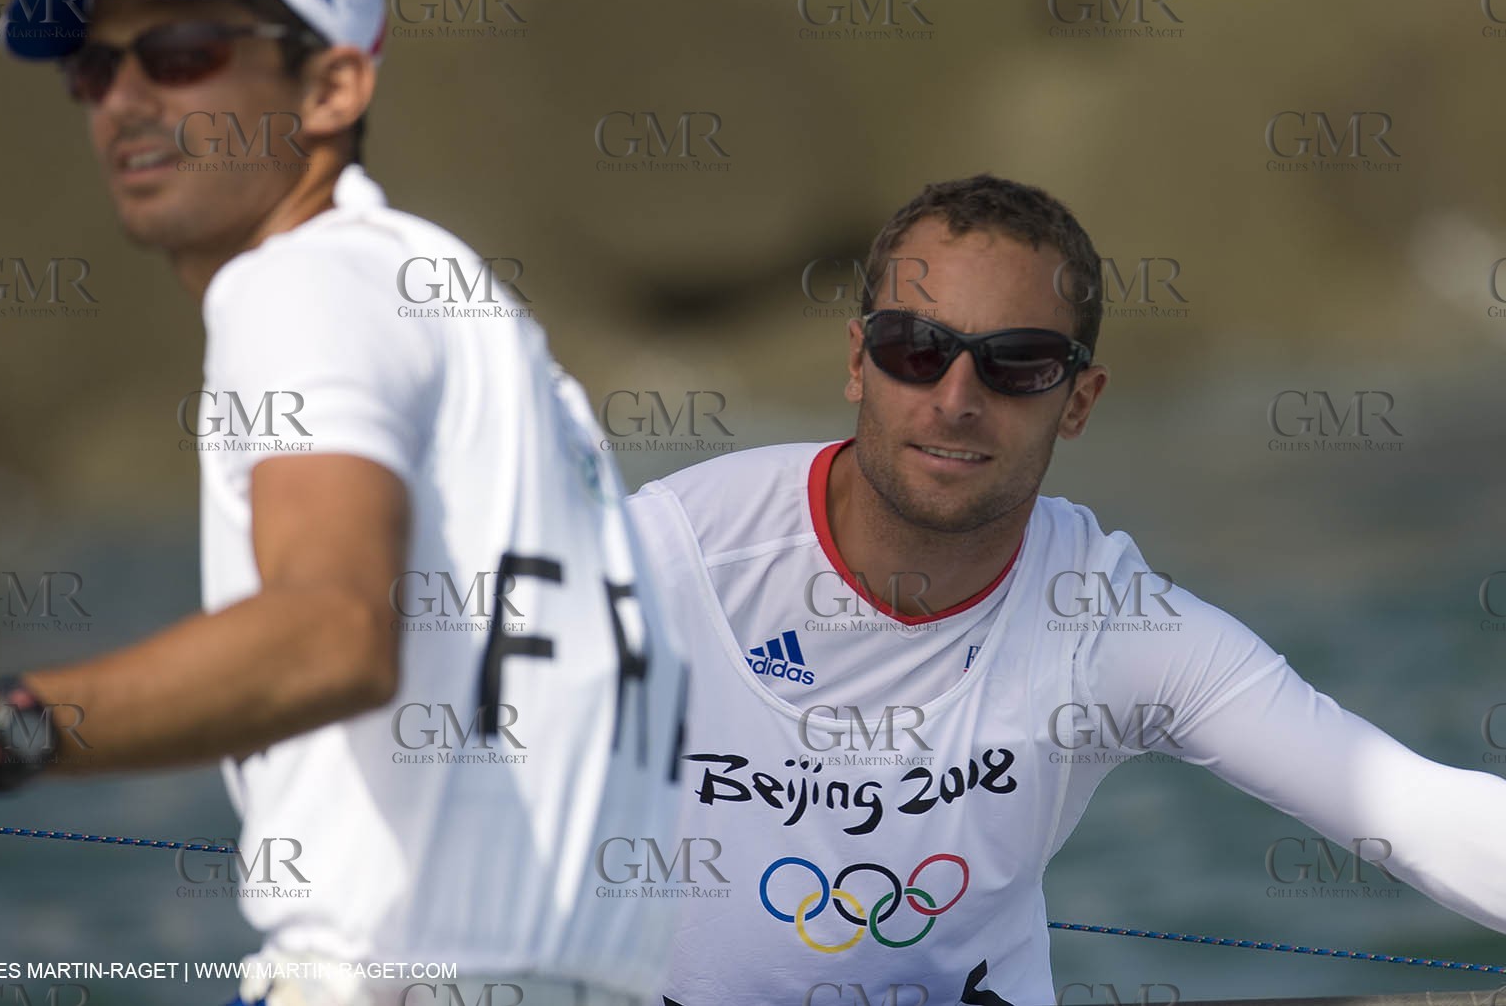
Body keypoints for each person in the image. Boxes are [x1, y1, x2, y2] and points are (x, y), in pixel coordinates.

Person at [0, 0, 688, 1004]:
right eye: (94, 68)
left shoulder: (303, 280)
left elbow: (332, 636)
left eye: (180, 53)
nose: (121, 100)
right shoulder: (487, 331)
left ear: (332, 87)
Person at [626, 174, 1506, 1006]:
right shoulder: (670, 553)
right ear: (860, 361)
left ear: (1079, 400)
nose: (955, 398)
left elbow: (1403, 805)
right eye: (916, 348)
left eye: (1017, 362)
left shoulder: (1106, 619)